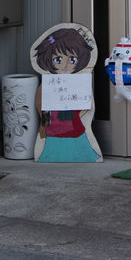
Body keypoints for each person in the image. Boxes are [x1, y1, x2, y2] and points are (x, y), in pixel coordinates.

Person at [31, 25, 102, 162]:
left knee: (83, 151)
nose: (65, 65)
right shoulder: (47, 85)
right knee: (51, 153)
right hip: (54, 133)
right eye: (58, 59)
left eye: (72, 60)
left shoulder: (79, 84)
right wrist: (44, 129)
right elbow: (42, 109)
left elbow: (87, 107)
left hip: (77, 132)